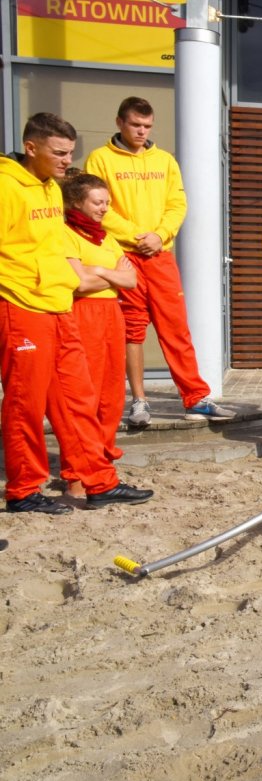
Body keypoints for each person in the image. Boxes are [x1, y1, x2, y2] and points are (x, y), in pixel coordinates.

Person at [1, 113, 154, 513]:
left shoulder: (52, 188)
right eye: (59, 152)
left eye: (70, 152)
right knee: (25, 404)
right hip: (20, 305)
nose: (67, 160)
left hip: (59, 304)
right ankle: (24, 490)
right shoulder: (5, 186)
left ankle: (98, 481)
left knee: (80, 399)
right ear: (31, 147)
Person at [85, 96, 235, 426]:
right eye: (136, 125)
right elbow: (98, 207)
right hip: (125, 256)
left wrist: (160, 234)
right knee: (132, 330)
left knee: (176, 328)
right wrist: (139, 235)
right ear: (119, 123)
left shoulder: (165, 160)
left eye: (147, 126)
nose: (141, 131)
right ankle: (139, 400)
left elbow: (177, 204)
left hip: (160, 254)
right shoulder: (100, 159)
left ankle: (195, 397)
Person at [56, 173, 138, 499]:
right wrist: (112, 275)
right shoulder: (64, 234)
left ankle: (102, 463)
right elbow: (80, 284)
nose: (105, 207)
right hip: (82, 314)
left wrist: (100, 271)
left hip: (111, 316)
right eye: (98, 201)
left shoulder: (106, 238)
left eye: (107, 201)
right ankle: (76, 474)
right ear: (77, 202)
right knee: (83, 397)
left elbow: (131, 281)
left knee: (112, 395)